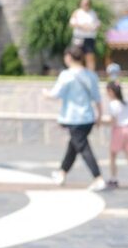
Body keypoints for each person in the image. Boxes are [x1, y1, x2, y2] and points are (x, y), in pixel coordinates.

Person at [43, 45, 106, 191]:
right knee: (73, 146)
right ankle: (62, 173)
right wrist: (100, 115)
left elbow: (55, 94)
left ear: (69, 57)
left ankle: (98, 178)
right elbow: (97, 98)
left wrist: (46, 93)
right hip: (88, 118)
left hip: (74, 118)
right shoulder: (91, 75)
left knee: (83, 148)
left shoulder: (67, 75)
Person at [69, 0, 101, 71]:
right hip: (79, 37)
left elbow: (98, 23)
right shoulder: (77, 12)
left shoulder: (93, 13)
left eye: (87, 3)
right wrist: (82, 26)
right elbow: (72, 23)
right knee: (77, 56)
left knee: (89, 56)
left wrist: (93, 27)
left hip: (89, 38)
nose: (85, 4)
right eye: (84, 3)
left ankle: (90, 73)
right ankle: (76, 73)